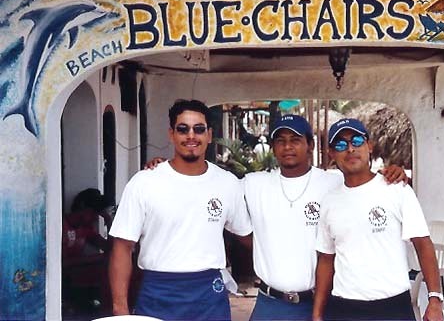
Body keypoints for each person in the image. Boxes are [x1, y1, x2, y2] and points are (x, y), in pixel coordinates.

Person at [145, 114, 407, 320]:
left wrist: (393, 173)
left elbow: (366, 183)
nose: (288, 147)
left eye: (295, 140)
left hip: (322, 302)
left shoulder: (334, 183)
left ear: (310, 144)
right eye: (280, 141)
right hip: (271, 305)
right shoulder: (253, 184)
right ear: (273, 147)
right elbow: (209, 183)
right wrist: (165, 168)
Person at [108, 99, 252, 320]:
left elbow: (246, 235)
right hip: (158, 292)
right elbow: (122, 247)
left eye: (199, 129)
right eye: (183, 129)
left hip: (208, 294)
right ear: (171, 134)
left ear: (210, 135)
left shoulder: (227, 183)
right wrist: (120, 311)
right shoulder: (145, 183)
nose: (191, 136)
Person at [313, 118, 444, 321]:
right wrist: (317, 314)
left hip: (393, 307)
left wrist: (435, 299)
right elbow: (326, 260)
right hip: (344, 308)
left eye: (356, 141)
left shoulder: (396, 189)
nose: (350, 149)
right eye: (340, 145)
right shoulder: (329, 202)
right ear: (331, 154)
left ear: (369, 146)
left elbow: (423, 244)